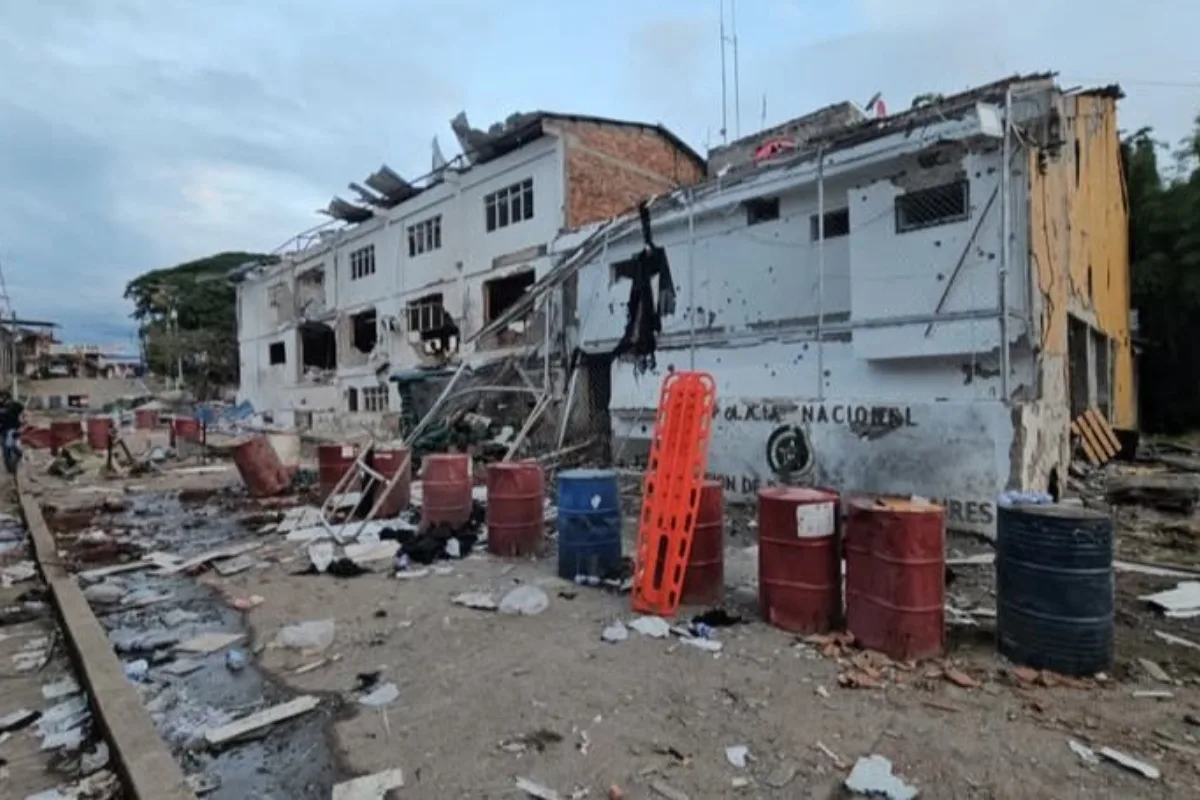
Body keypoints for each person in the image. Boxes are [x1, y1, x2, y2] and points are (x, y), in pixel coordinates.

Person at [0, 390, 25, 474]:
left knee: (9, 448)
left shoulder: (14, 405)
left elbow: (23, 412)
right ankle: (10, 469)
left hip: (11, 429)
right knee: (6, 449)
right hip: (4, 430)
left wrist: (23, 420)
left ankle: (11, 468)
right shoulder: (2, 406)